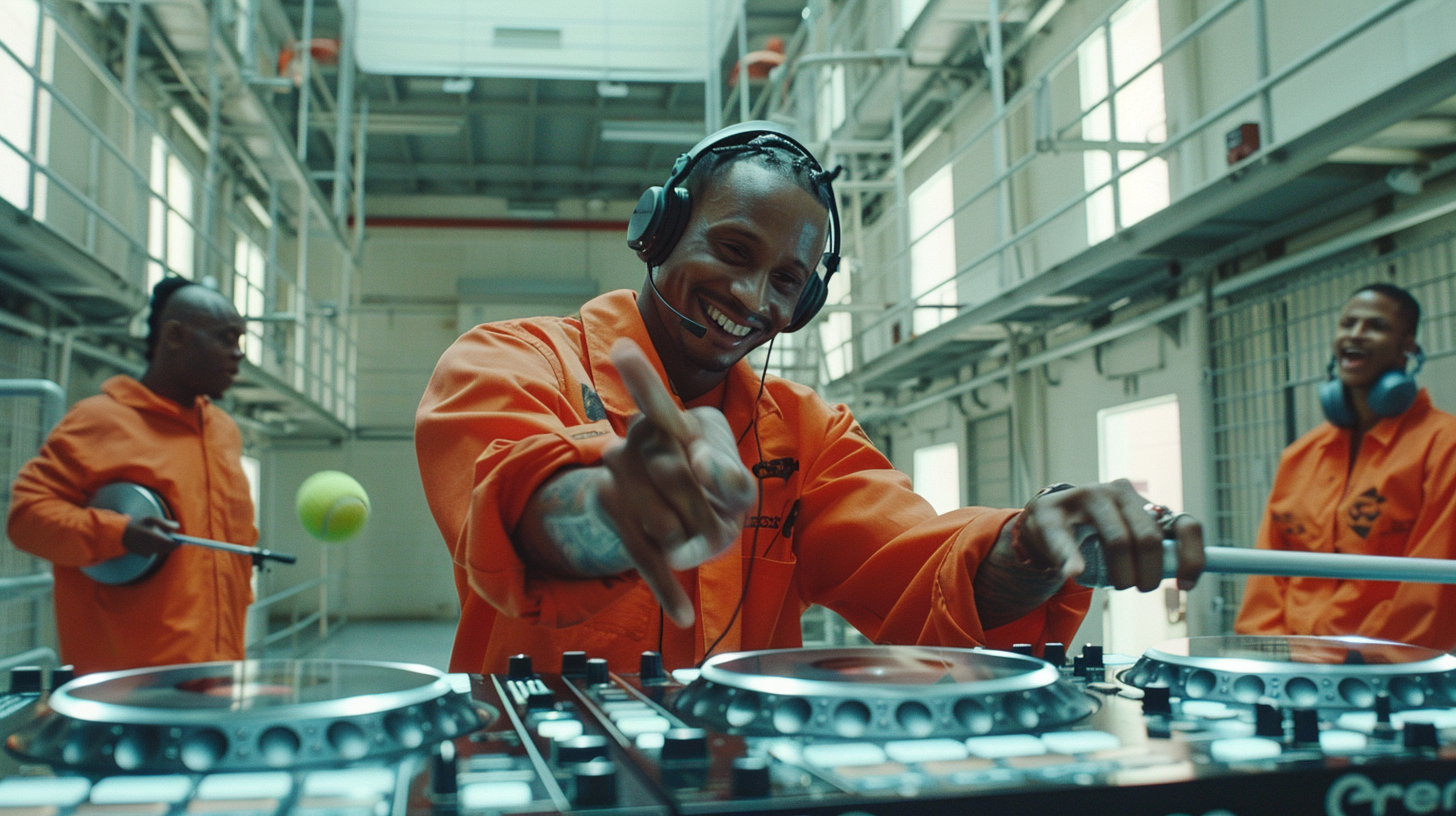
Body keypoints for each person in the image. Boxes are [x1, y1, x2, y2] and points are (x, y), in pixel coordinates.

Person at [415, 123, 1205, 675]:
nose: (754, 296)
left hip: (732, 781)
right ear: (658, 231)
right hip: (526, 773)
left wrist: (1030, 546)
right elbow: (513, 503)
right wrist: (614, 505)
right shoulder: (509, 360)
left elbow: (918, 573)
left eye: (787, 281)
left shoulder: (805, 434)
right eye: (731, 249)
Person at [8, 278, 257, 675]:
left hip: (218, 674)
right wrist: (119, 533)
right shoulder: (99, 421)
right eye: (226, 339)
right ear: (175, 335)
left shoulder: (223, 432)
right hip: (128, 684)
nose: (237, 355)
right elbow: (27, 520)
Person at [1236, 283, 1456, 650]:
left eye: (1375, 326)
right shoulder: (1300, 456)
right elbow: (1267, 578)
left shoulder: (1444, 446)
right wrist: (1271, 660)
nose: (1355, 334)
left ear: (1409, 346)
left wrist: (1365, 668)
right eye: (1347, 324)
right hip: (1292, 673)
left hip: (1387, 678)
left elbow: (1429, 589)